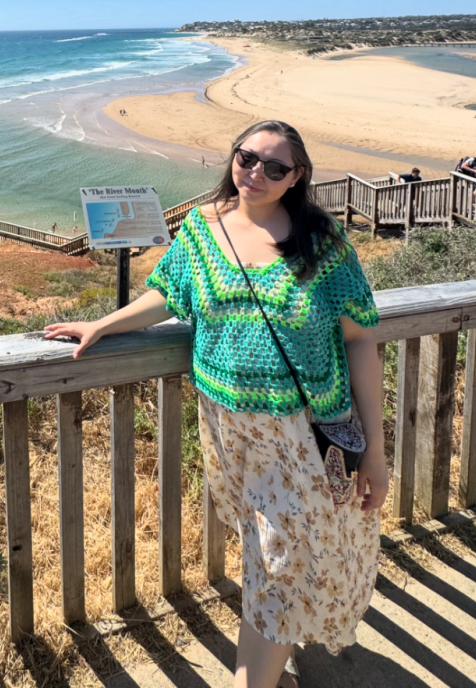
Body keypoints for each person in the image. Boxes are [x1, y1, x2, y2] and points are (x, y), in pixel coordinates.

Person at [45, 119, 385, 688]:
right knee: (268, 557)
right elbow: (168, 294)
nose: (256, 173)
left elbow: (360, 340)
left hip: (304, 436)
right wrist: (103, 324)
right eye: (247, 157)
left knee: (280, 567)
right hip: (230, 431)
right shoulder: (203, 230)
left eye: (275, 167)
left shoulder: (321, 245)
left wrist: (374, 451)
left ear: (297, 176)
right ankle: (278, 649)